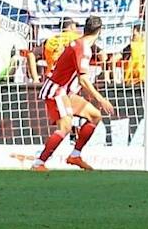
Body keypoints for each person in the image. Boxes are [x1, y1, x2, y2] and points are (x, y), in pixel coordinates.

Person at [32, 14, 115, 172]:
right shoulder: (83, 48)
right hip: (57, 90)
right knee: (65, 126)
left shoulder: (79, 44)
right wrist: (101, 99)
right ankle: (38, 163)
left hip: (66, 92)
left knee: (95, 116)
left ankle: (75, 156)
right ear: (99, 31)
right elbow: (83, 80)